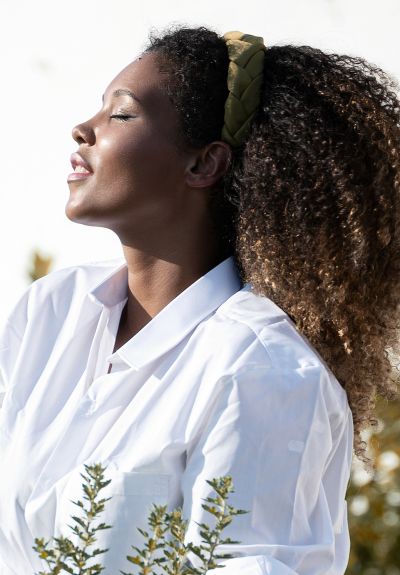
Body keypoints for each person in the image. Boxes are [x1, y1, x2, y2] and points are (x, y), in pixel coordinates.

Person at [0, 25, 399, 575]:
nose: (83, 129)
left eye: (121, 114)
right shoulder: (49, 312)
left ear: (203, 164)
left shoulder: (262, 370)